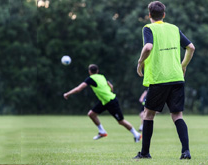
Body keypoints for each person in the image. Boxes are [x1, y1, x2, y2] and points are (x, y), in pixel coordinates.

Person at [134, 1, 195, 160]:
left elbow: (148, 47)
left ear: (149, 15)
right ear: (164, 15)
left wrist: (140, 63)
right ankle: (186, 151)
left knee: (148, 114)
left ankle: (145, 153)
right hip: (176, 77)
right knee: (177, 115)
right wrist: (183, 65)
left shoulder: (148, 28)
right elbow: (191, 47)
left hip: (159, 78)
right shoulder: (174, 28)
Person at [63, 64, 141, 142]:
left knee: (121, 121)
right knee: (91, 114)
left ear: (89, 71)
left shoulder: (90, 79)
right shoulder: (102, 76)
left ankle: (137, 134)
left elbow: (78, 89)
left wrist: (67, 94)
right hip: (105, 101)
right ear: (97, 71)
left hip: (111, 102)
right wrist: (109, 92)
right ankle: (102, 132)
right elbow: (111, 86)